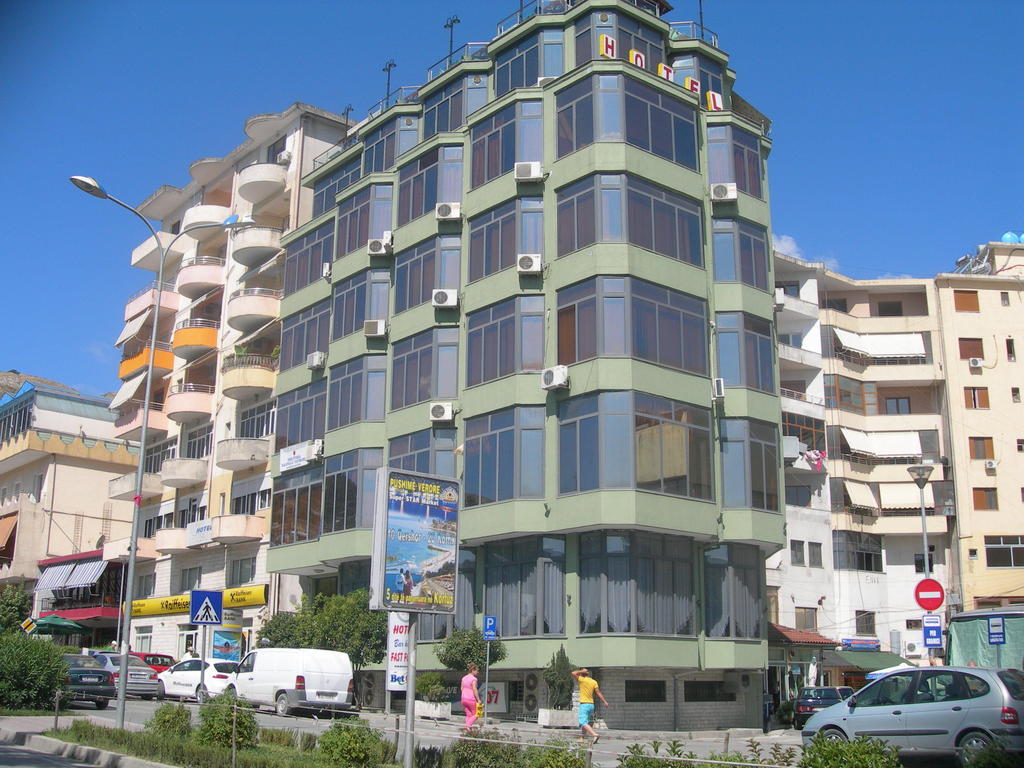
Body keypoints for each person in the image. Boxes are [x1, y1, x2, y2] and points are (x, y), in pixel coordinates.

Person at [571, 667, 609, 744]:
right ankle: (582, 738)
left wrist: (581, 671)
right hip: (591, 705)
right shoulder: (593, 682)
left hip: (584, 704)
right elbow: (598, 693)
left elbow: (573, 673)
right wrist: (604, 701)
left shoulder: (582, 680)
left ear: (582, 673)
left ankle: (594, 734)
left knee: (582, 722)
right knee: (586, 722)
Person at [460, 662, 482, 731]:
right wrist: (478, 699)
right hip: (471, 699)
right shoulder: (474, 679)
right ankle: (468, 725)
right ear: (473, 670)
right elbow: (474, 689)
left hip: (463, 699)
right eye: (477, 671)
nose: (477, 672)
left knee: (468, 714)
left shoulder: (463, 678)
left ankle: (469, 730)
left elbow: (461, 688)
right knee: (477, 714)